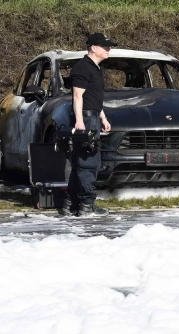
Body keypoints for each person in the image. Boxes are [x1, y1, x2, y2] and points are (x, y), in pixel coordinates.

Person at [61, 33, 116, 216]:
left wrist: (103, 117)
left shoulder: (95, 68)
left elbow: (93, 99)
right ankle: (86, 205)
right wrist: (79, 120)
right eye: (105, 46)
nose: (109, 49)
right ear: (93, 47)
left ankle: (70, 204)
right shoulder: (82, 67)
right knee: (88, 162)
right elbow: (78, 96)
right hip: (85, 119)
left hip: (92, 117)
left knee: (81, 162)